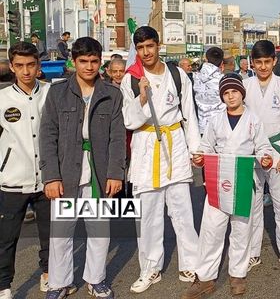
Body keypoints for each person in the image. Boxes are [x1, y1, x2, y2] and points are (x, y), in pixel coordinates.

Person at [40, 37, 126, 299]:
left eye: (94, 61)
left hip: (98, 172)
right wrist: (51, 176)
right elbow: (47, 135)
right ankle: (59, 282)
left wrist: (115, 173)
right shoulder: (57, 92)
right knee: (62, 231)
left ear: (101, 62)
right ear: (73, 61)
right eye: (83, 61)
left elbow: (117, 136)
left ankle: (95, 279)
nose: (89, 67)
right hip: (67, 170)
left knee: (98, 229)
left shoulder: (111, 94)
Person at [120, 26, 202, 293]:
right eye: (141, 47)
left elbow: (189, 113)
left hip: (174, 143)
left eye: (150, 46)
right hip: (145, 146)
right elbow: (130, 121)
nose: (146, 52)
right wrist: (142, 97)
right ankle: (150, 268)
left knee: (182, 210)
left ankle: (190, 262)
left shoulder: (177, 74)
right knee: (148, 215)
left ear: (158, 45)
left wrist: (195, 149)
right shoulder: (130, 79)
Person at [182, 74, 273, 299]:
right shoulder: (215, 120)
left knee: (241, 230)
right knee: (211, 230)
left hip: (243, 178)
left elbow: (263, 146)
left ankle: (237, 275)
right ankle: (205, 278)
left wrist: (265, 158)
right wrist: (199, 158)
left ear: (241, 93)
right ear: (222, 96)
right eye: (226, 93)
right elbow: (206, 146)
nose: (231, 96)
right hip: (217, 179)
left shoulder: (254, 119)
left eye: (234, 91)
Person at [0, 42, 56, 298]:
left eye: (31, 65)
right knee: (6, 239)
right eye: (20, 66)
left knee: (50, 234)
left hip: (47, 179)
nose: (25, 71)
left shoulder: (51, 93)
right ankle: (4, 285)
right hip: (11, 180)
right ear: (11, 67)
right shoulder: (2, 99)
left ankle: (47, 274)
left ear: (39, 66)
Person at [243, 40, 280, 273]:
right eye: (259, 62)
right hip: (251, 151)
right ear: (252, 63)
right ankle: (253, 252)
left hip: (278, 149)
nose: (264, 66)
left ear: (275, 61)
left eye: (268, 62)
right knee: (251, 206)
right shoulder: (244, 85)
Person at [192, 47, 225, 135]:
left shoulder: (194, 77)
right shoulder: (224, 80)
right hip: (221, 126)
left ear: (206, 59)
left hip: (201, 127)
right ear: (222, 63)